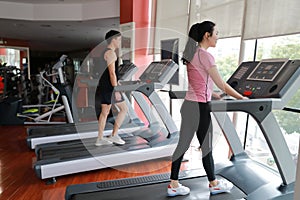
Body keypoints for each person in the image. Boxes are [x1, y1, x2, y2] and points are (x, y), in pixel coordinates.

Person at [167, 21, 248, 197]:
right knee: (207, 147)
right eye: (216, 33)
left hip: (189, 106)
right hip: (200, 108)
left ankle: (173, 184)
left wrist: (212, 94)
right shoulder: (205, 56)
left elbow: (200, 82)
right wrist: (241, 98)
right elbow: (223, 84)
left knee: (182, 145)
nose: (218, 37)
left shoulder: (192, 53)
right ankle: (214, 183)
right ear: (207, 35)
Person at [95, 30, 128, 146]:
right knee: (124, 109)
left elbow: (107, 74)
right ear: (113, 39)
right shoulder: (111, 53)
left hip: (105, 87)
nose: (120, 42)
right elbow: (112, 73)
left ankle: (99, 138)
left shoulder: (105, 52)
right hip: (110, 88)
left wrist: (117, 83)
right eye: (118, 39)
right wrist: (116, 89)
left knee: (104, 112)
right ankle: (114, 135)